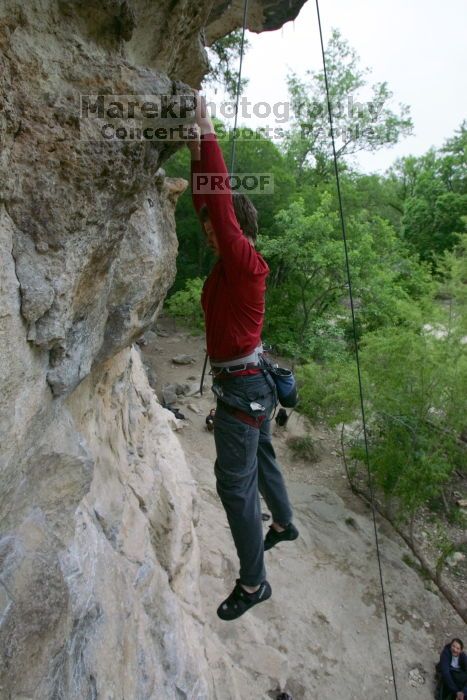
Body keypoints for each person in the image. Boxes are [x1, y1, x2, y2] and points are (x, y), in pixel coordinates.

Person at [187, 94, 298, 621]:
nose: (210, 235)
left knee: (235, 488)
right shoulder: (233, 267)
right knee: (266, 458)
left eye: (217, 232)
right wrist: (193, 150)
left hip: (243, 392)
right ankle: (284, 523)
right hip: (257, 383)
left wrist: (208, 131)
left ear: (239, 232)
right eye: (208, 231)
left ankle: (254, 583)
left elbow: (221, 210)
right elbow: (206, 205)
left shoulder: (246, 265)